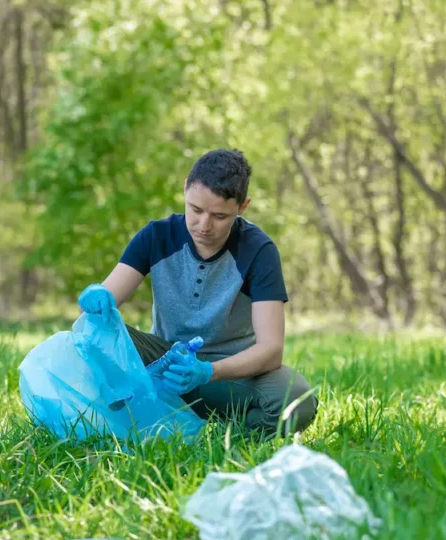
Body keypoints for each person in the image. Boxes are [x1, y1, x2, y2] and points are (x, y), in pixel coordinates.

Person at [78, 148, 318, 437]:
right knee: (94, 332)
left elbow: (271, 351)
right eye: (196, 210)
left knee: (298, 400)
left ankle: (221, 435)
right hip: (165, 364)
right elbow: (106, 300)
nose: (204, 226)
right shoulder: (156, 236)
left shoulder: (259, 251)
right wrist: (96, 296)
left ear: (243, 207)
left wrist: (207, 371)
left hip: (229, 375)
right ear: (185, 191)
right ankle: (129, 421)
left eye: (219, 215)